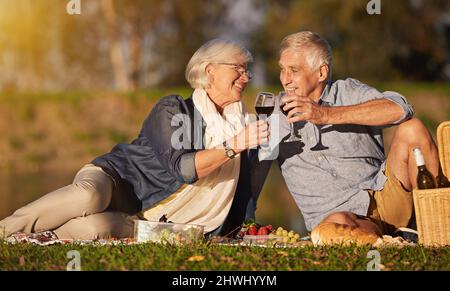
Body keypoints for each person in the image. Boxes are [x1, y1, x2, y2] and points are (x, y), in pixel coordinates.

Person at [0, 39, 269, 240]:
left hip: (152, 218)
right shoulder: (173, 109)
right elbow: (184, 169)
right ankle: (6, 231)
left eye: (247, 71)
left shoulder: (243, 124)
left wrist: (239, 228)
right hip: (116, 180)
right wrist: (234, 145)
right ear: (210, 71)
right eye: (238, 69)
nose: (246, 77)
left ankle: (40, 236)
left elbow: (244, 189)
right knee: (89, 197)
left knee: (98, 228)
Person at [256, 31, 439, 238]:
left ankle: (436, 224)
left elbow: (400, 109)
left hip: (385, 196)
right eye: (282, 70)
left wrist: (325, 115)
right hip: (339, 220)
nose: (285, 79)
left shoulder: (348, 91)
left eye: (294, 70)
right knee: (337, 225)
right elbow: (254, 172)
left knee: (412, 128)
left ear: (321, 73)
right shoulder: (274, 115)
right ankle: (393, 237)